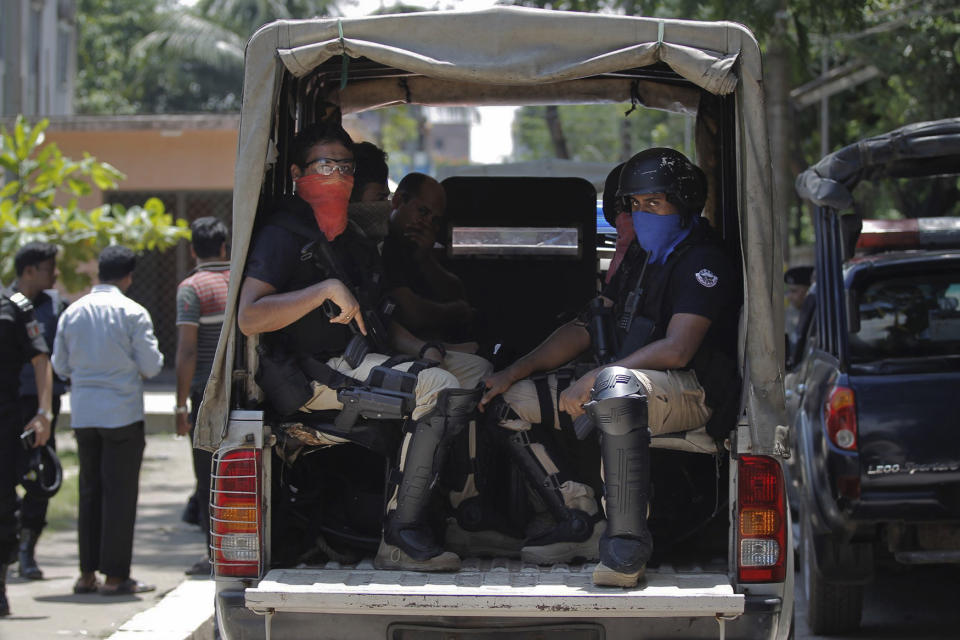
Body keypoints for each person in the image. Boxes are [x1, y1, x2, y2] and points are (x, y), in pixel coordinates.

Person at [479, 148, 740, 587]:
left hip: (690, 391)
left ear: (684, 203)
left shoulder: (703, 261)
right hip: (631, 382)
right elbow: (585, 326)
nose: (643, 215)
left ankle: (625, 547)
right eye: (635, 206)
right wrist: (514, 370)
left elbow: (678, 349)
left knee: (615, 386)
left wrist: (599, 376)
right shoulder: (639, 259)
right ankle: (579, 517)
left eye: (654, 203)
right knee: (506, 403)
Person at [237, 122, 490, 572]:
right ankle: (400, 535)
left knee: (472, 372)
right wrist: (322, 290)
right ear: (297, 172)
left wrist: (424, 348)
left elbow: (382, 324)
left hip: (362, 358)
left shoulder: (354, 242)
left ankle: (461, 513)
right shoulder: (285, 234)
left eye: (346, 168)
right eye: (324, 166)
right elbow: (249, 315)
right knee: (436, 387)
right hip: (313, 372)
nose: (336, 176)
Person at [52, 245, 164, 596]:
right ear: (128, 276)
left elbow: (60, 366)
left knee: (90, 491)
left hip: (85, 414)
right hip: (122, 415)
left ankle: (87, 575)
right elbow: (151, 365)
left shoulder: (73, 311)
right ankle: (116, 577)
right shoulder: (133, 312)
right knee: (120, 495)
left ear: (99, 272)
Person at [175, 217, 231, 576]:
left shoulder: (191, 288)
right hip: (244, 387)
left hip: (204, 394)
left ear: (193, 250)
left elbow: (187, 351)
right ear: (225, 247)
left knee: (206, 472)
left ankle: (214, 553)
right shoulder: (240, 281)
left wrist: (180, 404)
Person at [0, 253, 54, 616]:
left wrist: (44, 413)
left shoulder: (15, 307)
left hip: (5, 422)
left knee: (4, 505)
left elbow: (41, 360)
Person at [12, 242, 67, 581]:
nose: (55, 274)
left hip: (44, 405)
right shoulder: (6, 305)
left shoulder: (55, 306)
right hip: (10, 402)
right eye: (49, 267)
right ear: (30, 270)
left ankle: (27, 550)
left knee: (40, 475)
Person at [381, 172, 474, 340]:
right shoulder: (383, 243)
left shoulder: (414, 246)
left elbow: (456, 291)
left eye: (435, 220)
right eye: (423, 212)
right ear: (398, 201)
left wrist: (425, 258)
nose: (427, 224)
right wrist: (453, 311)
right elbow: (411, 313)